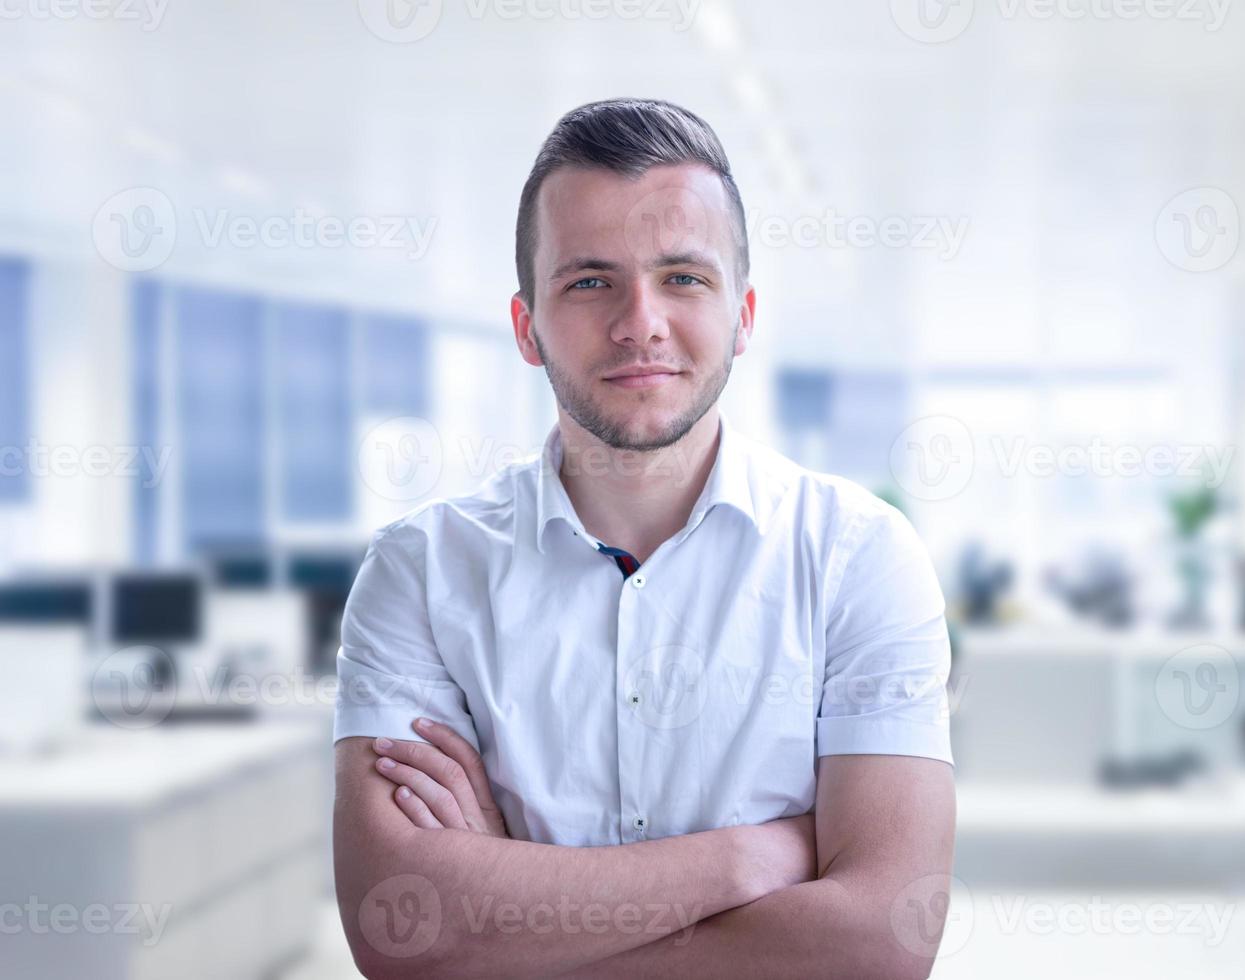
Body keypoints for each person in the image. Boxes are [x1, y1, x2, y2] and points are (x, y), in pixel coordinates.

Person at [333, 97, 956, 978]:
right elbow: (399, 930)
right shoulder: (421, 571)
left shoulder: (857, 558)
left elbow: (881, 946)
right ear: (525, 326)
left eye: (683, 278)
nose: (640, 323)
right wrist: (751, 858)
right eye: (589, 281)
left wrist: (513, 924)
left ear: (743, 315)